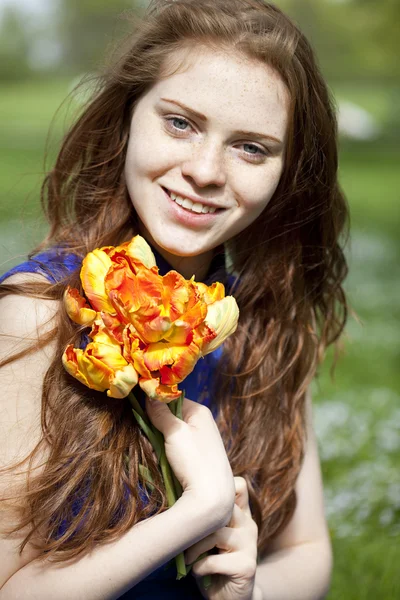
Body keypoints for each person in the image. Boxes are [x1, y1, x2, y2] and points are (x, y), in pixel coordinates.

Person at [0, 0, 349, 598]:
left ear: (287, 172)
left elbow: (307, 551)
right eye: (181, 123)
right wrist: (197, 514)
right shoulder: (39, 311)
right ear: (128, 117)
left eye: (252, 148)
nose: (206, 170)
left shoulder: (261, 324)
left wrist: (248, 587)